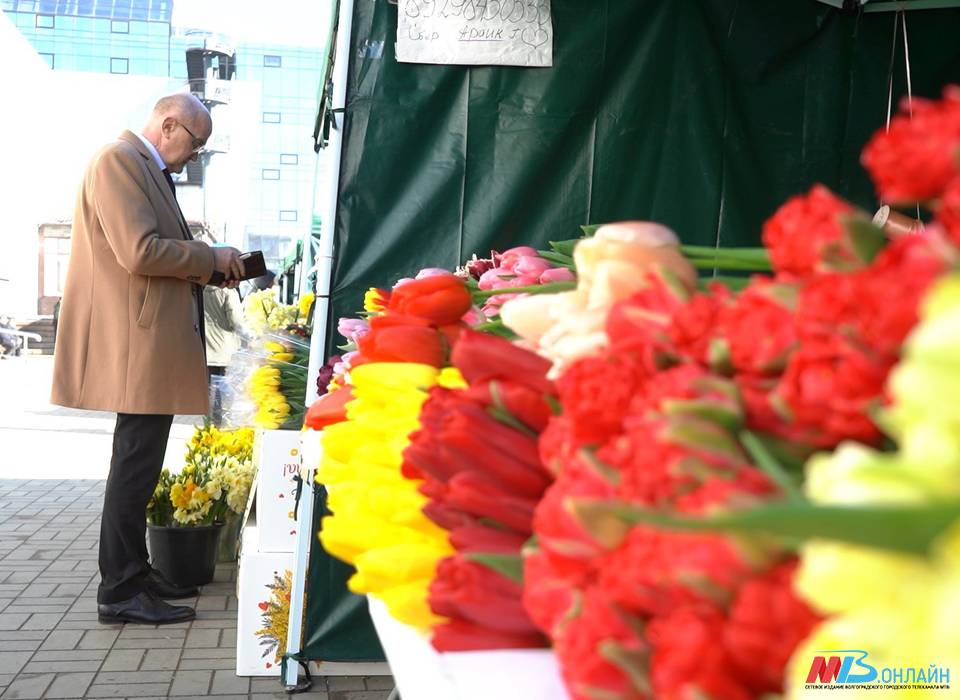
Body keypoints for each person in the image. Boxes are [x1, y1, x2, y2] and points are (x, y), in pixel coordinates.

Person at [51, 93, 246, 625]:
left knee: (140, 462)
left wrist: (213, 264)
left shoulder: (143, 168)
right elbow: (139, 250)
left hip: (148, 341)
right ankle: (119, 589)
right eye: (196, 143)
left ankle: (133, 571)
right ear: (168, 124)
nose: (196, 155)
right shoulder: (118, 160)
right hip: (137, 343)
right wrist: (210, 258)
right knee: (134, 465)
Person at [203, 284, 247, 425]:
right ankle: (225, 424)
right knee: (226, 389)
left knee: (211, 388)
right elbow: (237, 321)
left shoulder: (200, 288)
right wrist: (250, 338)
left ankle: (210, 423)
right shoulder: (228, 291)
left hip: (207, 348)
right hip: (226, 349)